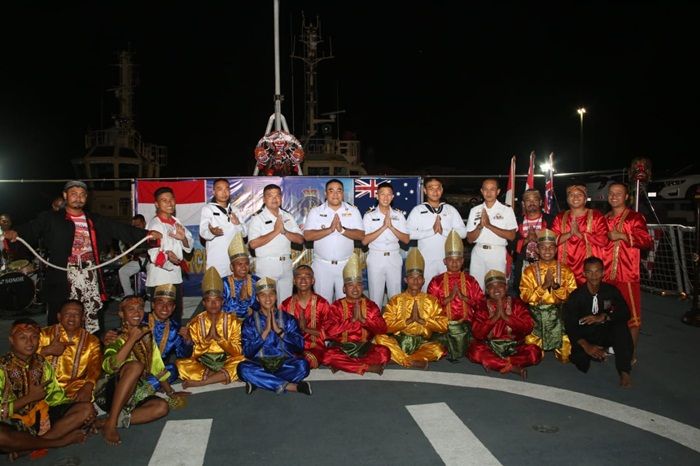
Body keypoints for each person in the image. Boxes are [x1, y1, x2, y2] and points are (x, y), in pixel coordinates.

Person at [4, 180, 160, 332]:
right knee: (62, 315)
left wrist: (147, 235)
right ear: (65, 196)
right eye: (73, 193)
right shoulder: (50, 218)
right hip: (62, 275)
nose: (78, 197)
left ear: (86, 198)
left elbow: (121, 229)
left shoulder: (95, 219)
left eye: (82, 194)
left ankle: (91, 349)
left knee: (91, 315)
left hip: (90, 274)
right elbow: (31, 228)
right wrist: (15, 233)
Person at [95, 296, 184, 445]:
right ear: (122, 314)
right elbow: (110, 367)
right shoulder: (114, 336)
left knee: (162, 408)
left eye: (140, 308)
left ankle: (108, 421)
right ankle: (110, 426)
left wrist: (171, 393)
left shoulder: (146, 334)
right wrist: (131, 339)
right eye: (131, 309)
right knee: (136, 366)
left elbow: (156, 365)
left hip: (135, 393)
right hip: (110, 392)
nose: (137, 313)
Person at [0, 319, 95, 447]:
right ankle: (57, 442)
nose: (29, 342)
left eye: (34, 337)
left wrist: (79, 409)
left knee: (86, 409)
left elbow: (55, 398)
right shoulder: (2, 368)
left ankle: (32, 445)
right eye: (22, 337)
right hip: (11, 423)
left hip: (41, 418)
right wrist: (29, 398)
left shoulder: (41, 363)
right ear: (11, 340)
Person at [564, 257, 634, 387]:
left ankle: (624, 371)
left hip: (604, 330)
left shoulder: (610, 291)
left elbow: (625, 312)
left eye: (597, 272)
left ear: (603, 273)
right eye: (589, 272)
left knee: (620, 327)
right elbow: (569, 325)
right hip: (586, 334)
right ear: (584, 274)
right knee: (580, 361)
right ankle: (599, 351)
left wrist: (605, 317)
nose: (594, 276)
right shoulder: (576, 296)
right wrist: (586, 346)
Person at [374, 248, 447, 369]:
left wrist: (422, 321)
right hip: (399, 340)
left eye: (419, 277)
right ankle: (412, 361)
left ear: (423, 280)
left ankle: (397, 359)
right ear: (405, 280)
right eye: (412, 278)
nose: (415, 281)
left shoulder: (431, 300)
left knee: (438, 348)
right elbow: (385, 326)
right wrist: (406, 321)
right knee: (379, 338)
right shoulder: (396, 300)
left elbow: (444, 325)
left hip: (421, 342)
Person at [604, 183, 653, 363]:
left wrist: (623, 236)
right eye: (611, 193)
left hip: (627, 275)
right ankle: (613, 344)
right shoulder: (605, 218)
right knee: (609, 313)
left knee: (632, 317)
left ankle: (630, 353)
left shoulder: (635, 217)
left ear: (626, 197)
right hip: (606, 276)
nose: (614, 196)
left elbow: (647, 241)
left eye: (618, 193)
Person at [238, 277, 312, 395]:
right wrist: (265, 332)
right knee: (243, 369)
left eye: (271, 294)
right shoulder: (249, 322)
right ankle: (290, 386)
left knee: (303, 366)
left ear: (276, 296)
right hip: (259, 363)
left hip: (285, 363)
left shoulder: (288, 319)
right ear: (257, 298)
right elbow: (247, 352)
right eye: (263, 295)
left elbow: (300, 346)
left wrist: (280, 332)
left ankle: (259, 381)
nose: (268, 299)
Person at [177, 267, 246, 388]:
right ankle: (220, 375)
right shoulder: (195, 323)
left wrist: (220, 340)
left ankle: (203, 381)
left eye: (217, 300)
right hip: (204, 363)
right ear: (203, 303)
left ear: (222, 301)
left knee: (242, 361)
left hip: (227, 360)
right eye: (209, 301)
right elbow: (191, 356)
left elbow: (238, 352)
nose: (213, 304)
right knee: (180, 364)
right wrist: (205, 341)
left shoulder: (233, 322)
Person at [323, 254, 390, 375]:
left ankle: (346, 365)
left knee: (384, 352)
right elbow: (328, 332)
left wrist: (365, 321)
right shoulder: (336, 306)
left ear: (363, 287)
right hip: (342, 348)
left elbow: (382, 329)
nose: (355, 289)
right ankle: (367, 367)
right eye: (350, 285)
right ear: (344, 289)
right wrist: (351, 321)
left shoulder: (370, 305)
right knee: (328, 355)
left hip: (365, 348)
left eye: (358, 285)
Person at [468, 270, 542, 378]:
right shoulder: (482, 307)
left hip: (515, 348)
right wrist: (494, 318)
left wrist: (507, 318)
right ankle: (512, 367)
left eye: (500, 286)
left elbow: (528, 327)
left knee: (535, 352)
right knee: (474, 351)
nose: (496, 290)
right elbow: (477, 334)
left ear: (506, 288)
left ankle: (496, 363)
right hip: (490, 347)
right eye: (492, 287)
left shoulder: (517, 304)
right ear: (487, 291)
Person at [519, 229, 577, 362]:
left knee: (566, 358)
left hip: (558, 319)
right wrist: (544, 286)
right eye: (543, 248)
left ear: (556, 250)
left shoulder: (565, 270)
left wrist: (556, 287)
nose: (547, 251)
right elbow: (525, 296)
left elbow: (573, 297)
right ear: (537, 250)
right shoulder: (529, 271)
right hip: (537, 320)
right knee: (532, 358)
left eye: (551, 248)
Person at [303, 179, 365, 303]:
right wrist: (330, 229)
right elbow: (307, 236)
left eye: (339, 191)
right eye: (331, 191)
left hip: (346, 265)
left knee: (345, 306)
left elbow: (361, 235)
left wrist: (342, 230)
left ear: (343, 193)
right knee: (323, 306)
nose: (335, 194)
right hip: (322, 266)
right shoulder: (316, 211)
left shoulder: (353, 211)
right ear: (326, 193)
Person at [427, 230, 484, 361]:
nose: (454, 263)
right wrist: (447, 299)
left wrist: (465, 299)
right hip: (444, 328)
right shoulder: (436, 281)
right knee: (434, 348)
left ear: (463, 261)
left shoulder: (470, 280)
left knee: (478, 348)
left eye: (458, 260)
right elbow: (429, 308)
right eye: (450, 260)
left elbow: (481, 304)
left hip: (465, 326)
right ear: (445, 261)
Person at [247, 184, 305, 303]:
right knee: (266, 303)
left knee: (285, 303)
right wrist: (275, 231)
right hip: (267, 265)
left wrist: (284, 231)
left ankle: (283, 322)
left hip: (286, 265)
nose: (274, 199)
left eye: (277, 195)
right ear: (264, 199)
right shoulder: (257, 218)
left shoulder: (287, 216)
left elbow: (300, 239)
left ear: (281, 197)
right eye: (270, 196)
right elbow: (252, 244)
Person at [407, 177, 467, 289]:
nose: (435, 191)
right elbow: (408, 234)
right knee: (427, 292)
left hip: (448, 261)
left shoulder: (450, 209)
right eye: (431, 188)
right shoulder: (417, 210)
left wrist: (444, 231)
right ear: (425, 190)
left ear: (442, 190)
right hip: (426, 260)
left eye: (438, 188)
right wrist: (431, 231)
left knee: (447, 291)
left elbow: (463, 233)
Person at [146, 186, 194, 324]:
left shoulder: (176, 221)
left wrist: (182, 238)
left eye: (171, 199)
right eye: (164, 200)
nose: (169, 203)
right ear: (156, 204)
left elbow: (188, 244)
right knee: (160, 317)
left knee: (175, 314)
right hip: (160, 276)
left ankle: (174, 343)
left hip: (175, 276)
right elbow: (153, 253)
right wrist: (169, 258)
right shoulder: (154, 225)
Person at [38, 300, 102, 401]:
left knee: (87, 407)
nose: (72, 318)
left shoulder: (92, 341)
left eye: (76, 314)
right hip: (43, 388)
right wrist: (47, 350)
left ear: (83, 318)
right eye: (67, 314)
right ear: (59, 316)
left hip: (75, 390)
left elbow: (95, 367)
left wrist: (88, 386)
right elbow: (24, 359)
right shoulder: (43, 335)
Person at [361, 182, 410, 307]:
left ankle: (395, 324)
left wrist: (392, 227)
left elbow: (406, 239)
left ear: (393, 197)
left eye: (389, 194)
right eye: (382, 194)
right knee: (375, 296)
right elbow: (364, 241)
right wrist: (383, 227)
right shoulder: (369, 216)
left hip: (394, 257)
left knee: (395, 296)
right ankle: (375, 324)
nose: (386, 197)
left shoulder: (398, 215)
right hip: (376, 257)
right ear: (377, 196)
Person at [466, 178, 518, 290]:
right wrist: (480, 226)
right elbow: (470, 239)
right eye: (485, 189)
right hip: (478, 253)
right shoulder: (475, 210)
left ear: (498, 191)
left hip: (497, 253)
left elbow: (512, 236)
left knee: (497, 289)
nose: (488, 193)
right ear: (481, 191)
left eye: (492, 189)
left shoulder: (506, 210)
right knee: (476, 289)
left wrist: (489, 225)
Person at [551, 185, 608, 285]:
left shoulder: (596, 216)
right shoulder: (560, 217)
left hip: (590, 270)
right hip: (565, 268)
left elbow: (603, 240)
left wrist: (580, 234)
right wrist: (570, 234)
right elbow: (552, 241)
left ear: (585, 199)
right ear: (567, 199)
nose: (575, 197)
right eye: (572, 195)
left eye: (579, 194)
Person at [280, 265, 331, 369]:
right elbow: (281, 331)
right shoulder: (286, 304)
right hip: (291, 348)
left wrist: (306, 329)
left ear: (313, 280)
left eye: (307, 276)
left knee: (305, 361)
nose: (303, 280)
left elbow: (329, 333)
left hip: (314, 348)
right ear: (294, 281)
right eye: (299, 277)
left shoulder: (322, 303)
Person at [198, 178, 246, 278]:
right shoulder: (208, 209)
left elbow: (245, 234)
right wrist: (212, 232)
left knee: (235, 291)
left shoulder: (235, 210)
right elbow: (203, 232)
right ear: (214, 192)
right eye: (220, 189)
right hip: (217, 259)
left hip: (235, 260)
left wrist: (237, 224)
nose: (224, 192)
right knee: (217, 292)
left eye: (227, 189)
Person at [511, 189, 555, 292]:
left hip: (546, 266)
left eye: (535, 200)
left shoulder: (551, 220)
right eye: (528, 200)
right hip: (522, 266)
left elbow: (557, 242)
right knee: (522, 299)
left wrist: (538, 239)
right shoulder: (516, 221)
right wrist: (527, 240)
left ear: (540, 202)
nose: (531, 203)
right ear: (523, 203)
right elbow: (510, 244)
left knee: (546, 298)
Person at [223, 232, 259, 319]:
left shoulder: (257, 281)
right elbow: (218, 308)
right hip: (229, 325)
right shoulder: (223, 283)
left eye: (246, 263)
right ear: (232, 267)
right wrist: (242, 300)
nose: (244, 267)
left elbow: (262, 306)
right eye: (239, 264)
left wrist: (247, 300)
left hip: (252, 324)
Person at [117, 214, 149, 298]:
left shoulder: (149, 234)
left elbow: (149, 249)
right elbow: (129, 250)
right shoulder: (133, 235)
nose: (136, 227)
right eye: (134, 226)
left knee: (152, 279)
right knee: (123, 271)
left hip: (151, 261)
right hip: (138, 260)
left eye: (138, 225)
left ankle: (150, 297)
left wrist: (136, 251)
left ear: (144, 223)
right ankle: (129, 296)